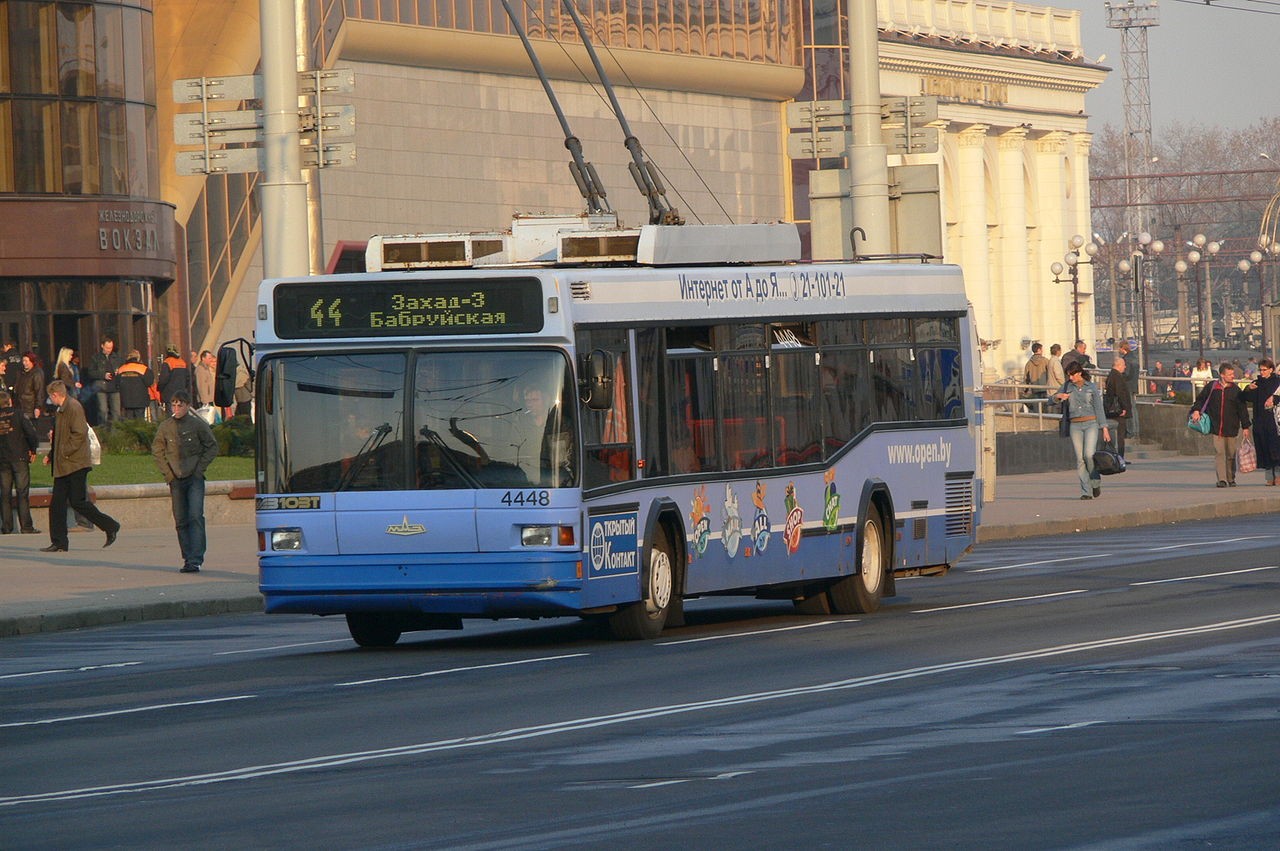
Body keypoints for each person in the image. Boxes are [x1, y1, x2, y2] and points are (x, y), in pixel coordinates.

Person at [39, 380, 120, 552]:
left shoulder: (73, 408)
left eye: (50, 397)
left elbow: (79, 434)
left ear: (55, 395)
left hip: (75, 464)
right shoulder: (61, 410)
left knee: (78, 502)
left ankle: (110, 525)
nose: (50, 400)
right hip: (64, 464)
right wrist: (51, 456)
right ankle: (59, 542)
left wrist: (63, 453)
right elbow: (60, 437)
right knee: (57, 505)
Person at [151, 391, 219, 573]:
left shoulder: (197, 425)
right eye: (173, 405)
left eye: (180, 405)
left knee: (195, 516)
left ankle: (196, 558)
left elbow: (212, 446)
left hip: (194, 477)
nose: (176, 408)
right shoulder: (166, 427)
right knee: (180, 520)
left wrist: (200, 468)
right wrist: (168, 474)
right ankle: (188, 558)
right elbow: (157, 450)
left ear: (188, 406)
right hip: (175, 478)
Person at [1053, 362, 1111, 500]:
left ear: (1079, 373)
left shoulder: (1091, 387)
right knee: (1080, 459)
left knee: (1088, 455)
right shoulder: (1067, 386)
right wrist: (1058, 397)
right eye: (1069, 375)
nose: (1070, 378)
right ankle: (1086, 491)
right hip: (1075, 426)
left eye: (1072, 375)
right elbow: (1051, 399)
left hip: (1091, 423)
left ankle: (1095, 482)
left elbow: (1098, 407)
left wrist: (1105, 428)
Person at [1190, 362, 1251, 488]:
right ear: (1222, 375)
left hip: (1232, 427)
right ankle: (1222, 479)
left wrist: (1245, 426)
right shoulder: (1212, 387)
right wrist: (1196, 410)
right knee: (1219, 453)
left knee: (1231, 455)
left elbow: (1242, 409)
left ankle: (1231, 477)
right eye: (1230, 374)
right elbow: (1200, 400)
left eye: (1232, 374)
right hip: (1216, 427)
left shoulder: (1236, 390)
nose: (1233, 376)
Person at [0, 389, 39, 534]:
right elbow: (31, 433)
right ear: (9, 401)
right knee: (22, 492)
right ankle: (26, 526)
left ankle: (6, 527)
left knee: (5, 493)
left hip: (2, 459)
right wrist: (33, 449)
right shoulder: (18, 414)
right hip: (19, 457)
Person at [1243, 358, 1280, 485]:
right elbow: (1244, 398)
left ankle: (1279, 476)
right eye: (1260, 370)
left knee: (1276, 448)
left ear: (1271, 370)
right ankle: (1269, 477)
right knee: (1264, 447)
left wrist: (1274, 398)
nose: (1262, 372)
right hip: (1260, 420)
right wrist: (1249, 388)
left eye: (1264, 370)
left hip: (1274, 420)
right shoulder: (1256, 383)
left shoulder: (1277, 382)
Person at [85, 336, 123, 425]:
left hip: (114, 387)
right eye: (107, 348)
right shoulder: (96, 358)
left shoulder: (117, 357)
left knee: (116, 412)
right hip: (101, 387)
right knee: (102, 410)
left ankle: (115, 433)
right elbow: (90, 373)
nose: (109, 350)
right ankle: (103, 431)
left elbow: (122, 369)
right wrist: (103, 375)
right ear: (102, 346)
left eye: (111, 348)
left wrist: (119, 372)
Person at [1103, 356, 1134, 459]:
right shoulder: (1117, 376)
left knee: (1119, 434)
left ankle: (1119, 456)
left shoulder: (1112, 375)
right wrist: (1124, 408)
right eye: (1124, 365)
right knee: (1120, 434)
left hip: (1114, 409)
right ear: (1119, 365)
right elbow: (1120, 393)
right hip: (1118, 410)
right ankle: (1120, 457)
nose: (1125, 367)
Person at [115, 351, 155, 420]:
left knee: (129, 421)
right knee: (140, 422)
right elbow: (149, 382)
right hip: (140, 400)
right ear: (138, 358)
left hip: (126, 400)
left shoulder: (121, 369)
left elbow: (116, 383)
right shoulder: (143, 368)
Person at [194, 349, 218, 423]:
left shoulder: (206, 368)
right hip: (205, 400)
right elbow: (202, 386)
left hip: (209, 399)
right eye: (209, 358)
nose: (211, 360)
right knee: (207, 420)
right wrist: (205, 401)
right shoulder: (201, 370)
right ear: (203, 358)